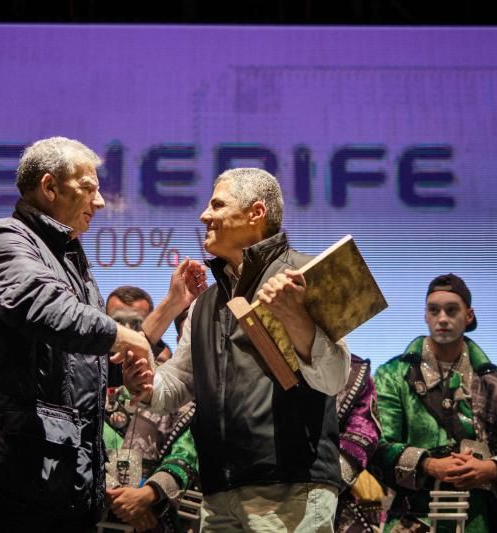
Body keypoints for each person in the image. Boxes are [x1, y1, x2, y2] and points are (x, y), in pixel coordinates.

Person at [0, 136, 198, 531]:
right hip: (6, 484)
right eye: (89, 188)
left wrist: (169, 308)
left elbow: (90, 364)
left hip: (59, 485)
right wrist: (127, 338)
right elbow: (47, 311)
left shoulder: (71, 262)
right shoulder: (4, 241)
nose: (99, 203)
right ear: (49, 187)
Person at [124, 168, 352, 532]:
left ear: (255, 213)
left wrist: (295, 316)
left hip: (292, 489)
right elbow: (179, 383)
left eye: (217, 204)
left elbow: (334, 376)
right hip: (218, 493)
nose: (204, 215)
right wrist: (148, 385)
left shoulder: (307, 275)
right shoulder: (204, 303)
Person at [373, 274, 497, 532]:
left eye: (451, 310)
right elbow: (378, 445)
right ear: (425, 315)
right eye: (434, 310)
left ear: (469, 316)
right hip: (415, 517)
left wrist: (490, 469)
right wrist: (430, 465)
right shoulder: (392, 375)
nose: (442, 318)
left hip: (485, 519)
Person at [103, 306, 198, 533]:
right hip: (98, 510)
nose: (127, 333)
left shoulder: (184, 402)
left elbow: (186, 453)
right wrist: (115, 495)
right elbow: (87, 445)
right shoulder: (96, 393)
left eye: (137, 326)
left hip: (162, 517)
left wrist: (148, 494)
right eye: (117, 324)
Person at [334, 354, 383, 533]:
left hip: (331, 495)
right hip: (255, 485)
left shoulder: (356, 372)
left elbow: (364, 432)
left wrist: (328, 477)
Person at [107, 287, 173, 363]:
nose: (127, 329)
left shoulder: (164, 362)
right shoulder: (94, 358)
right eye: (117, 321)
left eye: (136, 323)